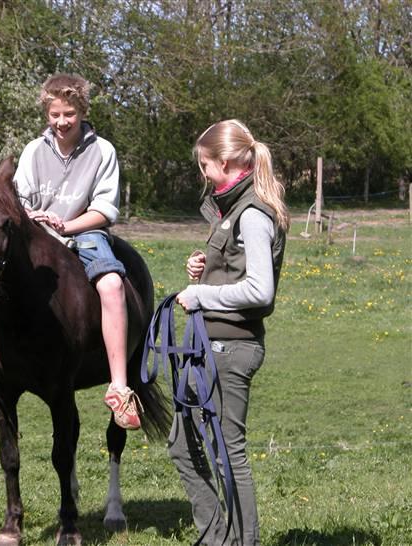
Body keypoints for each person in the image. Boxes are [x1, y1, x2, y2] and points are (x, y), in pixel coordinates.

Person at [0, 73, 142, 430]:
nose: (62, 122)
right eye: (55, 114)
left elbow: (105, 209)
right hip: (36, 234)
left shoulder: (102, 151)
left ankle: (119, 387)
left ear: (82, 111)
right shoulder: (33, 150)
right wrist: (32, 220)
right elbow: (16, 204)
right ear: (47, 113)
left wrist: (66, 224)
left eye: (69, 114)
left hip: (84, 233)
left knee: (111, 285)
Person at [171, 119, 289, 546]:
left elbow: (260, 290)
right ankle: (217, 539)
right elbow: (237, 273)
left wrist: (201, 297)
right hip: (208, 344)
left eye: (204, 165)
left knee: (227, 452)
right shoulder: (231, 209)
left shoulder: (254, 213)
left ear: (223, 162)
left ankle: (244, 542)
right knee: (184, 444)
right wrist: (203, 272)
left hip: (230, 346)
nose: (202, 173)